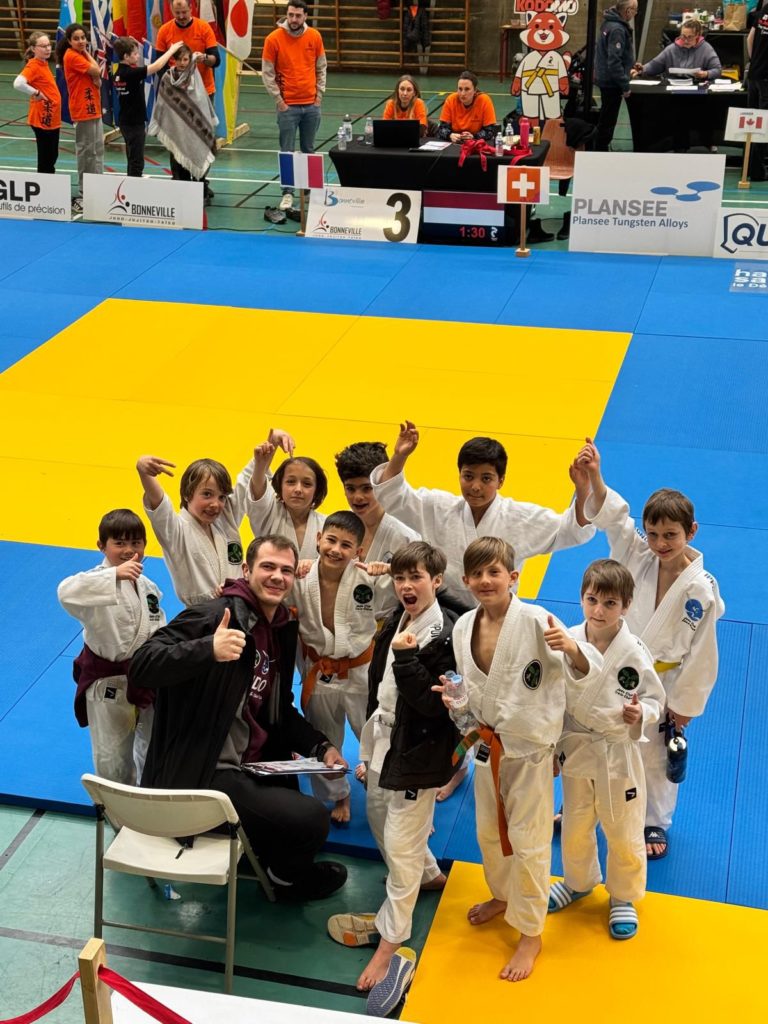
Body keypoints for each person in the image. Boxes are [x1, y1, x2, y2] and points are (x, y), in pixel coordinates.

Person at [129, 534, 349, 902]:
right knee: (312, 819)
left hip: (248, 764)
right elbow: (142, 665)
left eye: (286, 570)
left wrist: (320, 746)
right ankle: (285, 883)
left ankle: (261, 854)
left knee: (296, 805)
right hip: (202, 773)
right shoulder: (215, 615)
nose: (277, 576)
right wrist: (207, 649)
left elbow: (278, 710)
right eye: (268, 567)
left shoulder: (279, 629)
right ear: (246, 570)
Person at [438, 537, 593, 982]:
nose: (485, 581)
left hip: (529, 751)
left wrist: (574, 650)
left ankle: (530, 931)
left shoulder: (538, 621)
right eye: (477, 574)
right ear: (465, 580)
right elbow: (471, 690)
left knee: (530, 841)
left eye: (494, 572)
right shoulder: (463, 627)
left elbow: (580, 678)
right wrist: (457, 703)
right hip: (487, 747)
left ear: (513, 576)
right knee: (489, 833)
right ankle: (503, 895)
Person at [576, 438, 724, 860]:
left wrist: (685, 705)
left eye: (671, 535)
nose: (660, 543)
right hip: (617, 665)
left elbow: (703, 654)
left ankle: (653, 819)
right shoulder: (637, 554)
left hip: (664, 679)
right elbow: (614, 519)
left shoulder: (701, 590)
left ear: (691, 532)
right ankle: (583, 803)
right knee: (598, 734)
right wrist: (595, 477)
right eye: (654, 533)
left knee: (656, 757)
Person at [327, 542, 459, 1011]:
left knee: (400, 847)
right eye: (400, 578)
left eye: (416, 577)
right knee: (383, 822)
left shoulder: (444, 637)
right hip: (386, 740)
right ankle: (430, 875)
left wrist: (406, 659)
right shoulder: (397, 619)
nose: (406, 586)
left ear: (436, 581)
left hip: (419, 753)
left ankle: (390, 944)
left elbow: (432, 707)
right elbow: (378, 695)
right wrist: (366, 753)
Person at [545, 559, 665, 940]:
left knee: (624, 826)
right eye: (592, 600)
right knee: (576, 823)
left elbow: (656, 699)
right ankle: (578, 881)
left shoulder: (634, 651)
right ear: (581, 598)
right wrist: (551, 747)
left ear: (626, 606)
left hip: (616, 751)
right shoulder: (567, 639)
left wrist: (641, 713)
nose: (599, 610)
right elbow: (554, 698)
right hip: (577, 746)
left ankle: (623, 895)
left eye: (610, 603)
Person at [370, 422, 595, 611]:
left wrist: (583, 487)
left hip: (499, 615)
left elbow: (573, 529)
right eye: (468, 476)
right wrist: (399, 456)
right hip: (443, 613)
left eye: (486, 478)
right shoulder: (438, 508)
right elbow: (393, 495)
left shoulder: (520, 518)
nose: (476, 486)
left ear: (501, 480)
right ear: (459, 475)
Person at [57, 509, 165, 785]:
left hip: (145, 677)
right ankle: (115, 808)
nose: (129, 550)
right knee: (113, 758)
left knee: (152, 746)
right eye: (120, 543)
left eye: (136, 543)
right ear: (101, 546)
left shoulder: (148, 586)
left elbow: (158, 627)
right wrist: (114, 575)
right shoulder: (95, 580)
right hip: (109, 683)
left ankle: (147, 796)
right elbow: (64, 592)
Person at [291, 511, 379, 824]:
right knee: (324, 736)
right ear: (318, 539)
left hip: (360, 670)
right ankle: (339, 794)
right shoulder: (299, 579)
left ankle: (386, 793)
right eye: (331, 540)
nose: (336, 549)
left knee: (375, 732)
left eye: (346, 545)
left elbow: (412, 587)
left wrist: (390, 569)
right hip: (319, 669)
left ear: (358, 551)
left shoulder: (369, 579)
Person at [136, 442, 268, 607]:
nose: (216, 504)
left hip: (240, 607)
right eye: (207, 494)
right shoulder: (176, 532)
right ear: (187, 494)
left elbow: (245, 482)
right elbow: (160, 505)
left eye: (222, 497)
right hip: (202, 614)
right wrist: (144, 473)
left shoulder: (226, 519)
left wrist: (267, 452)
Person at [335, 441, 419, 621]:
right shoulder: (336, 528)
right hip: (341, 625)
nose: (358, 497)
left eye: (367, 488)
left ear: (380, 485)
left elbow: (420, 590)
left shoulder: (406, 536)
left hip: (389, 628)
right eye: (350, 488)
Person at [262, 1, 326, 215]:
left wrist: (319, 96)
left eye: (298, 15)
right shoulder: (273, 39)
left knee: (310, 150)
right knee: (287, 151)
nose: (294, 19)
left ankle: (312, 191)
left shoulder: (315, 37)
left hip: (311, 106)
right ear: (286, 15)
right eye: (291, 15)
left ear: (305, 16)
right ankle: (287, 192)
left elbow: (321, 67)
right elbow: (267, 73)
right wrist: (279, 101)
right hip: (287, 107)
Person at [155, 0, 220, 201]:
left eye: (184, 12)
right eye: (178, 12)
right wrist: (173, 85)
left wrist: (204, 58)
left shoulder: (203, 27)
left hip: (202, 93)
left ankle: (200, 182)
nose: (181, 16)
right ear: (172, 10)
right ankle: (181, 182)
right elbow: (160, 64)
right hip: (177, 96)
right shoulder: (165, 31)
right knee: (178, 139)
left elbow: (216, 59)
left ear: (191, 8)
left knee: (202, 138)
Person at [247, 430, 328, 559]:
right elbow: (257, 487)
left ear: (317, 490)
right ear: (280, 485)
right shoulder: (268, 514)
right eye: (290, 482)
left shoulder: (326, 524)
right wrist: (260, 465)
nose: (298, 489)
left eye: (307, 484)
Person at [113, 36, 184, 177]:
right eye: (135, 54)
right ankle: (134, 183)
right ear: (126, 56)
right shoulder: (130, 74)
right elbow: (157, 66)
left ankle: (132, 180)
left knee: (132, 156)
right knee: (136, 160)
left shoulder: (119, 73)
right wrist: (171, 51)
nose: (138, 56)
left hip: (126, 121)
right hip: (134, 123)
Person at [148, 43, 218, 184]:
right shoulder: (167, 77)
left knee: (200, 149)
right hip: (177, 127)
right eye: (179, 59)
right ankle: (182, 185)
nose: (182, 63)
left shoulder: (195, 76)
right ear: (173, 60)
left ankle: (200, 186)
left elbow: (201, 101)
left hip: (196, 124)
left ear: (190, 59)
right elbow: (163, 103)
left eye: (185, 59)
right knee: (178, 156)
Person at [56, 23, 103, 213]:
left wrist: (88, 56)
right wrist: (95, 73)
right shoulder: (71, 56)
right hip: (82, 110)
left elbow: (98, 79)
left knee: (97, 150)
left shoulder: (82, 54)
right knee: (86, 151)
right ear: (69, 41)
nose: (81, 41)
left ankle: (98, 187)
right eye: (76, 39)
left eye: (83, 38)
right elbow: (97, 72)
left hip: (94, 108)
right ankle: (84, 192)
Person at [13, 31, 61, 174]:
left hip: (51, 118)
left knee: (52, 156)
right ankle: (45, 184)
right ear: (34, 49)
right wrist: (36, 93)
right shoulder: (33, 65)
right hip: (43, 119)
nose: (48, 49)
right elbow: (18, 83)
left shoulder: (43, 63)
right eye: (43, 46)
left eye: (49, 45)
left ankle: (48, 181)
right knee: (46, 158)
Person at [594, 0, 638, 152]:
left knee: (606, 117)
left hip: (605, 78)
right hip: (612, 83)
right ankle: (600, 150)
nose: (635, 13)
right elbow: (614, 62)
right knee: (608, 120)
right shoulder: (617, 29)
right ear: (628, 11)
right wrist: (625, 85)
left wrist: (631, 64)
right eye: (635, 10)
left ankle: (600, 147)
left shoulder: (608, 22)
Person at [631, 19, 721, 81]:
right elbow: (655, 65)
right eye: (683, 36)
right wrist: (641, 70)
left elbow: (717, 70)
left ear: (697, 35)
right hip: (672, 85)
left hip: (696, 86)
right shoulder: (671, 49)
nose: (686, 40)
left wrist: (706, 74)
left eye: (690, 37)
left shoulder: (706, 49)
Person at [436, 70, 497, 144]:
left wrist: (474, 137)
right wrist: (450, 135)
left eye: (467, 89)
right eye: (460, 89)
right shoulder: (451, 100)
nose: (462, 93)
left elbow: (490, 131)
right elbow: (441, 129)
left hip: (476, 144)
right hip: (455, 143)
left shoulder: (484, 100)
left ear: (475, 90)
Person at [747, 3, 768, 181]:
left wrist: (754, 61)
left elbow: (750, 39)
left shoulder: (764, 11)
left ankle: (749, 167)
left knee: (753, 124)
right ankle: (757, 171)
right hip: (766, 79)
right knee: (763, 125)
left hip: (754, 74)